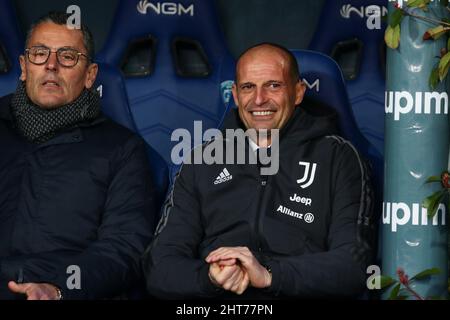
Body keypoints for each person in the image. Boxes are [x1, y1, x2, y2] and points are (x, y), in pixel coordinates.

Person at [143, 43, 374, 299]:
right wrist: (210, 277)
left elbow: (354, 265)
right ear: (235, 94)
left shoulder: (338, 158)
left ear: (298, 93)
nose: (259, 99)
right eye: (248, 87)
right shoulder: (203, 161)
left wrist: (268, 274)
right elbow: (159, 265)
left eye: (273, 85)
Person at [0, 12, 156, 300]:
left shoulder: (122, 149)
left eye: (68, 57)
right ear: (23, 67)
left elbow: (124, 248)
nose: (51, 65)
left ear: (90, 76)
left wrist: (60, 288)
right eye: (39, 53)